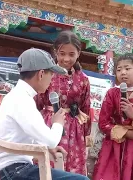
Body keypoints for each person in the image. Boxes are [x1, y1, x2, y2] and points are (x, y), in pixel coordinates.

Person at [0, 48, 89, 180]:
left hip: (13, 168)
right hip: (12, 171)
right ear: (41, 74)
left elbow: (35, 137)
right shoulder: (22, 100)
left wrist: (46, 148)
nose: (52, 78)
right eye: (51, 74)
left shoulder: (18, 96)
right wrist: (57, 123)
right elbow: (52, 141)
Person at [35, 30, 91, 175]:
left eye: (71, 54)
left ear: (79, 53)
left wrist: (87, 134)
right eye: (62, 53)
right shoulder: (47, 74)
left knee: (72, 167)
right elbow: (38, 102)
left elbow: (85, 107)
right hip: (48, 123)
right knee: (48, 166)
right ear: (55, 52)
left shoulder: (83, 79)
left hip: (74, 130)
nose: (66, 59)